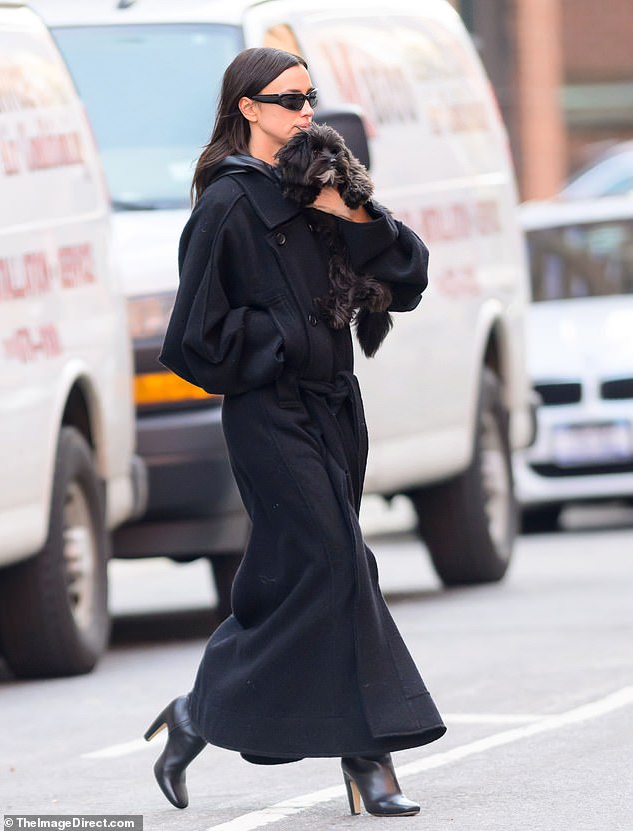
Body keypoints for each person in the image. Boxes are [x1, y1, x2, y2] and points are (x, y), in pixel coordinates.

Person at [146, 46, 446, 818]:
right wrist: (286, 339)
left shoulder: (321, 187)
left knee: (310, 581)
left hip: (337, 410)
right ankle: (370, 761)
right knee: (340, 564)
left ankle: (193, 715)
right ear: (248, 107)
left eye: (311, 97)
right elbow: (191, 342)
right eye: (288, 99)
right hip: (268, 413)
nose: (305, 111)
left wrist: (353, 213)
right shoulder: (225, 206)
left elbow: (408, 278)